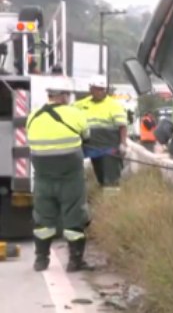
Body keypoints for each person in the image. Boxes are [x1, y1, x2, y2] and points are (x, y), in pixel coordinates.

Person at [26, 75, 91, 272]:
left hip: (43, 176)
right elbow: (86, 136)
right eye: (68, 95)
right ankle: (75, 261)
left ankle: (41, 260)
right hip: (70, 176)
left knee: (43, 218)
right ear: (62, 96)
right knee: (74, 216)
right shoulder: (75, 114)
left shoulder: (33, 116)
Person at [75, 75, 128, 191]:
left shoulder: (114, 105)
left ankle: (111, 205)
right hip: (88, 147)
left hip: (108, 148)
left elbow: (122, 126)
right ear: (91, 89)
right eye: (98, 89)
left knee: (110, 181)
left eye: (103, 89)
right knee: (93, 178)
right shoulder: (79, 105)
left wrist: (123, 144)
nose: (101, 92)